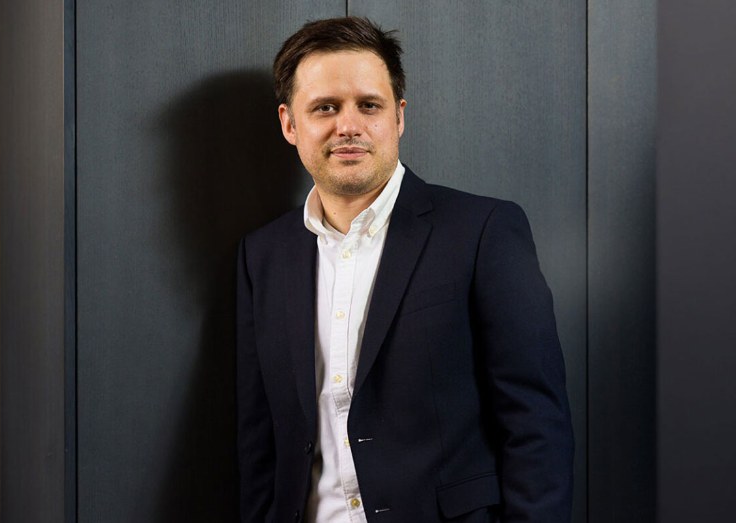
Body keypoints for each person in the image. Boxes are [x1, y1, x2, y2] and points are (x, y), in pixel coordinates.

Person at [236, 17, 574, 523]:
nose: (348, 126)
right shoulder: (262, 255)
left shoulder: (482, 231)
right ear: (290, 124)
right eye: (325, 107)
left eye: (368, 105)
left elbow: (536, 424)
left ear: (398, 116)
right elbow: (258, 439)